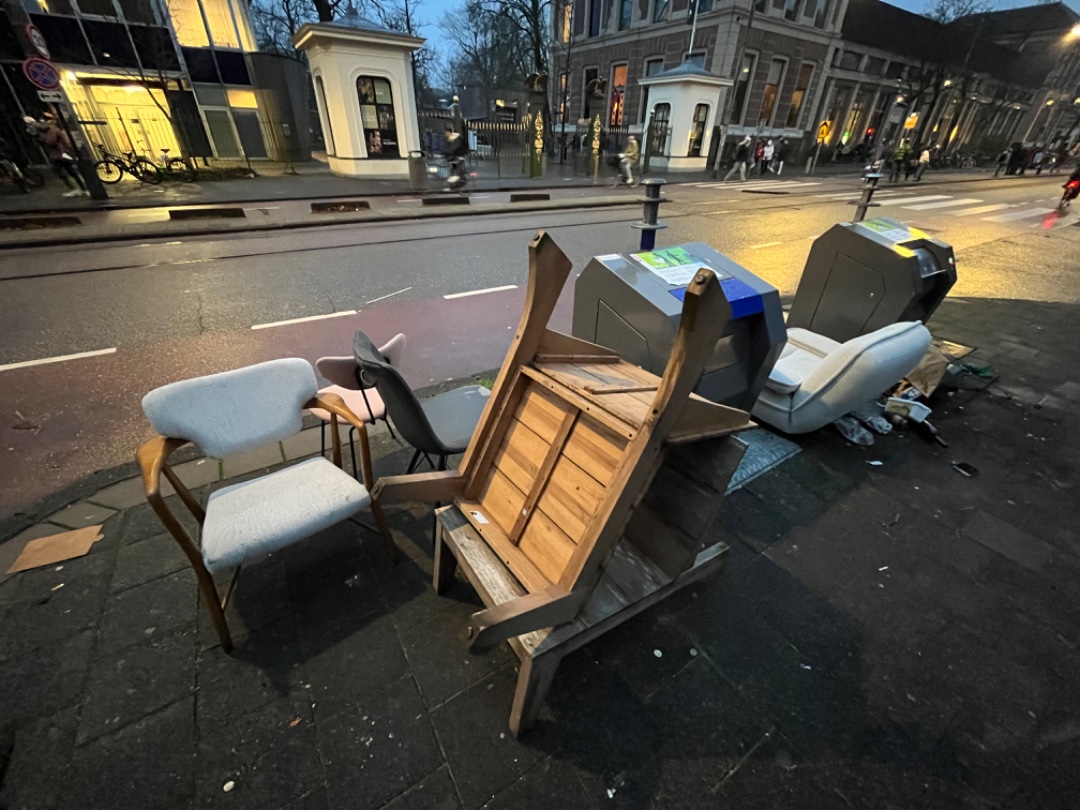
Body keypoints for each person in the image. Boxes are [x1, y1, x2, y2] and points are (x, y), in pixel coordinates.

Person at [28, 114, 86, 197]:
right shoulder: (49, 130)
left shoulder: (54, 130)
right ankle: (79, 187)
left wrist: (70, 151)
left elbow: (55, 141)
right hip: (57, 154)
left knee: (66, 171)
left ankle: (78, 188)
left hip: (60, 154)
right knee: (66, 171)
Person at [443, 126, 467, 191]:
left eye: (446, 133)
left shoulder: (455, 138)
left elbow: (453, 148)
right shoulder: (453, 138)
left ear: (450, 132)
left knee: (455, 171)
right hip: (456, 157)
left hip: (457, 158)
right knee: (455, 171)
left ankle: (456, 185)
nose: (445, 135)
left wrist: (447, 153)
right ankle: (458, 184)